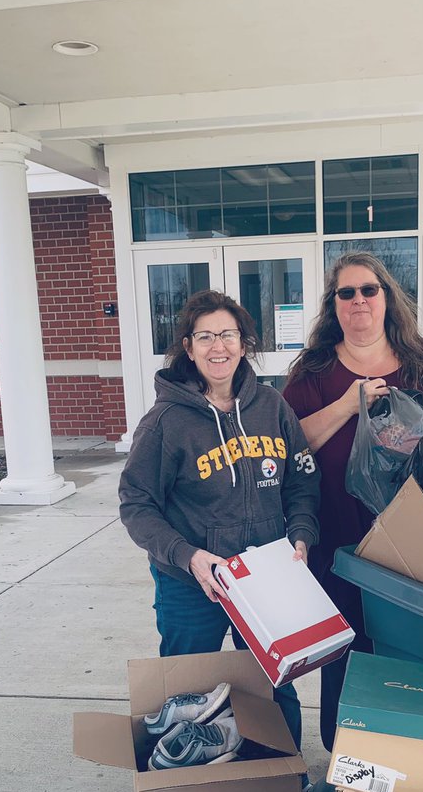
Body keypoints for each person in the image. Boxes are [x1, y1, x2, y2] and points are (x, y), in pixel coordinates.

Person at [283, 252, 423, 749]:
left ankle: (418, 754)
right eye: (345, 293)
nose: (358, 302)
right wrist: (348, 405)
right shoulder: (313, 373)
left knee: (421, 652)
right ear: (334, 306)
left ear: (387, 297)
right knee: (349, 652)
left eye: (369, 290)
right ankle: (347, 757)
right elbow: (284, 445)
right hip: (343, 547)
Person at [119, 289, 320, 751]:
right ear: (188, 348)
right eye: (205, 336)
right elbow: (135, 503)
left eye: (227, 334)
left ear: (244, 343)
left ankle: (280, 783)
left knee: (273, 685)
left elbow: (302, 481)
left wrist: (302, 536)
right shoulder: (166, 422)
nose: (218, 347)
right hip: (193, 584)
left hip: (265, 579)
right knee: (188, 691)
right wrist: (187, 557)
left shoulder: (272, 407)